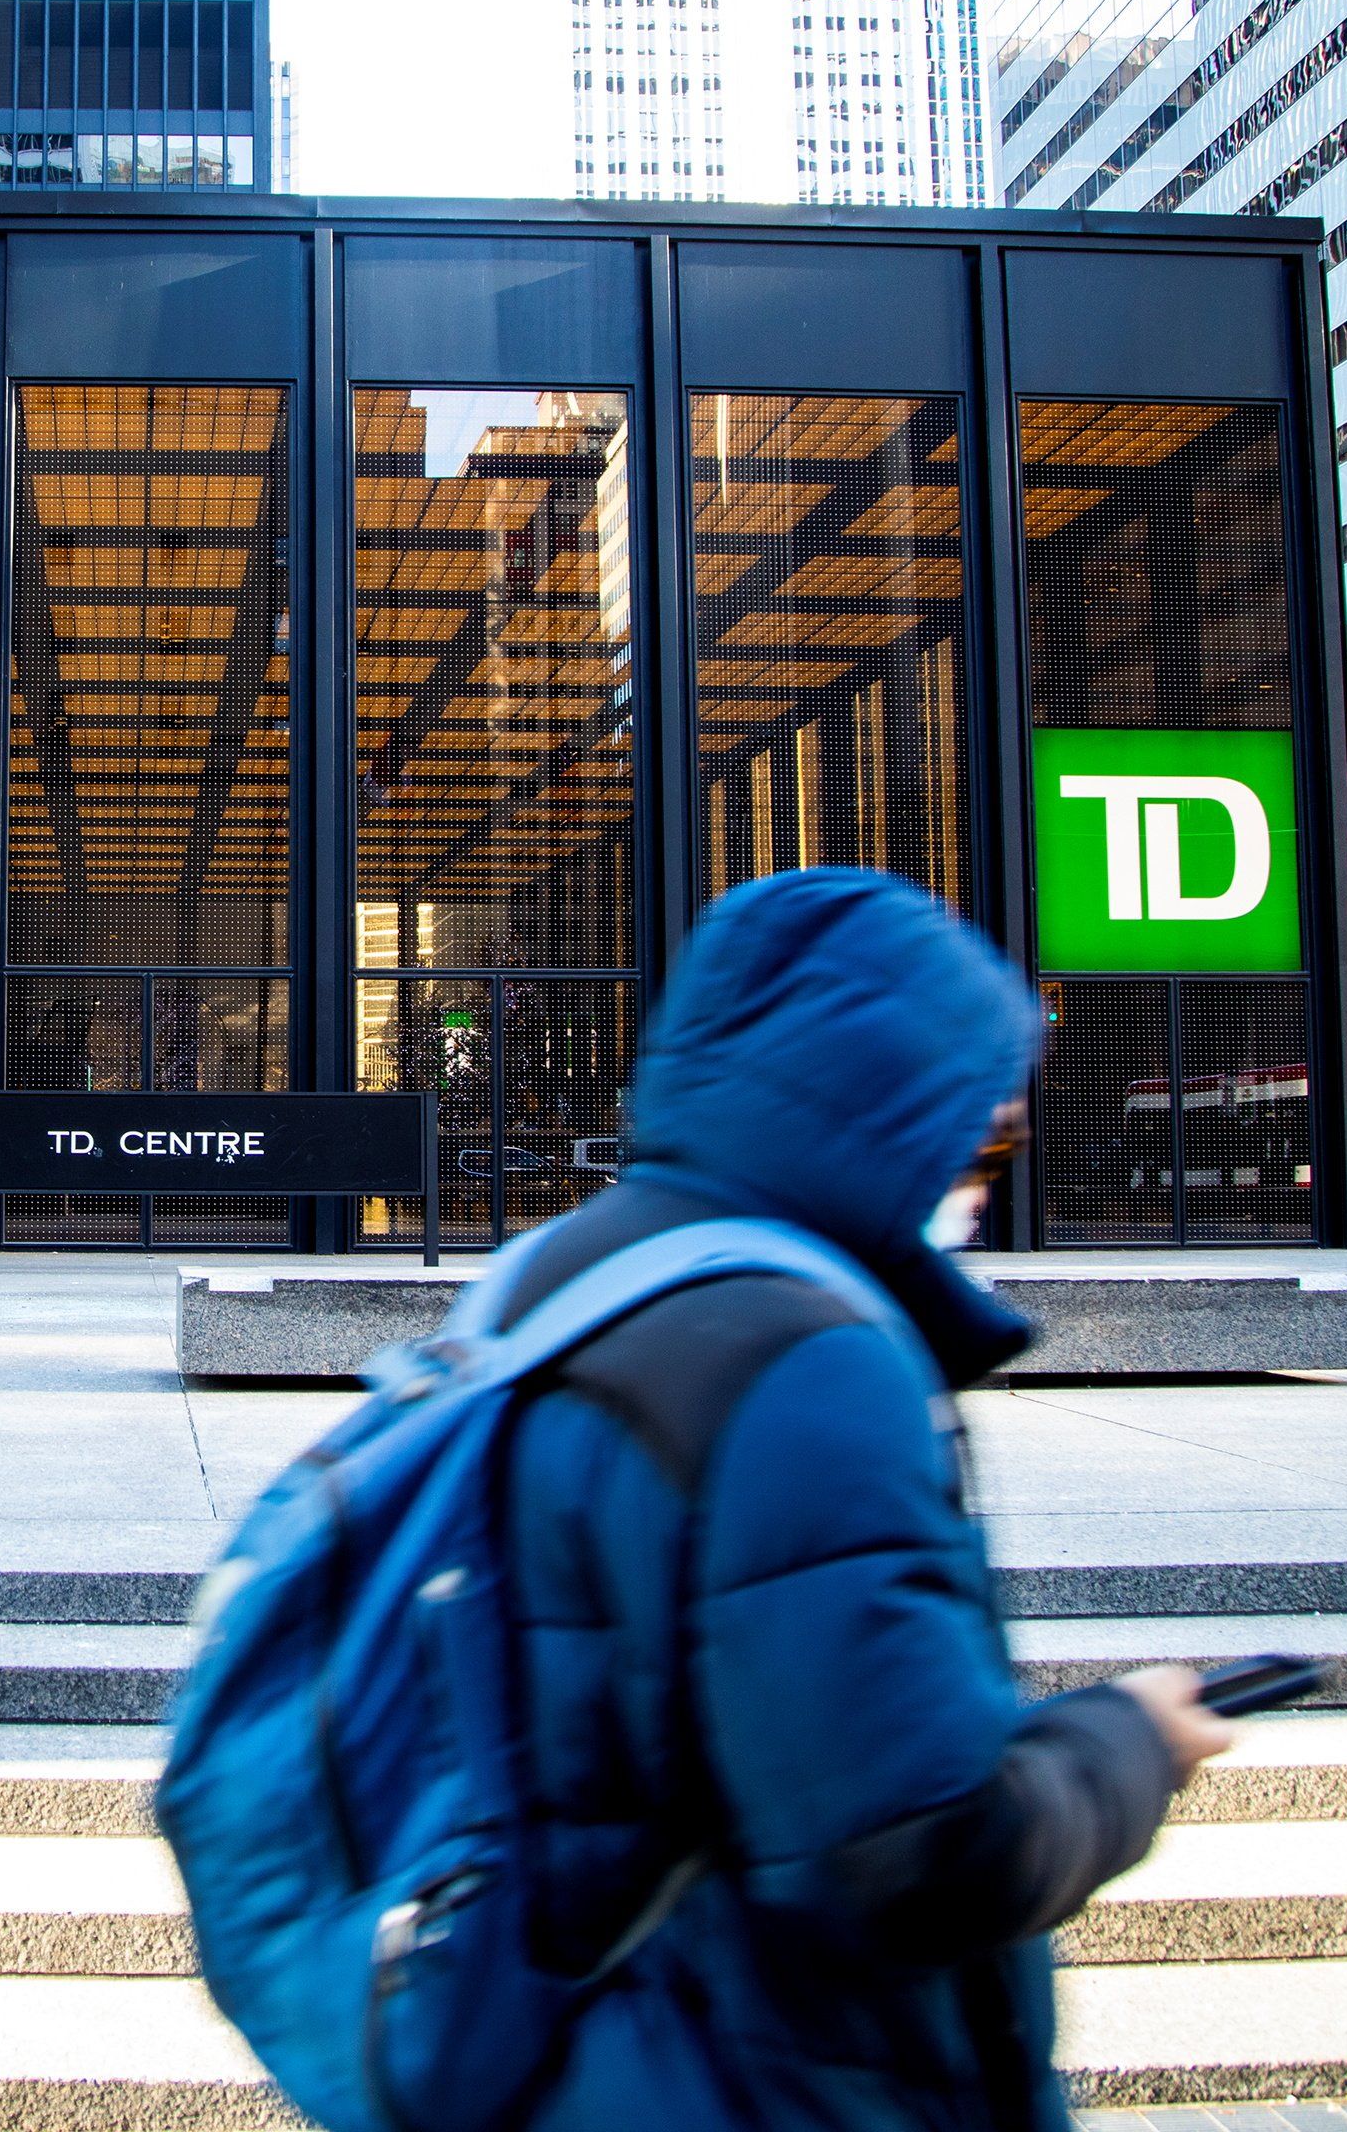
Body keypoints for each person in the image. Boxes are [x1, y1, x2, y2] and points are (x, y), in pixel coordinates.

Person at [487, 868, 1234, 2132]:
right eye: (984, 1128)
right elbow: (908, 1854)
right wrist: (1128, 1745)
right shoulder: (805, 1360)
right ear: (883, 1107)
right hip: (772, 2076)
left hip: (574, 2034)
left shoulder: (553, 1275)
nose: (993, 1165)